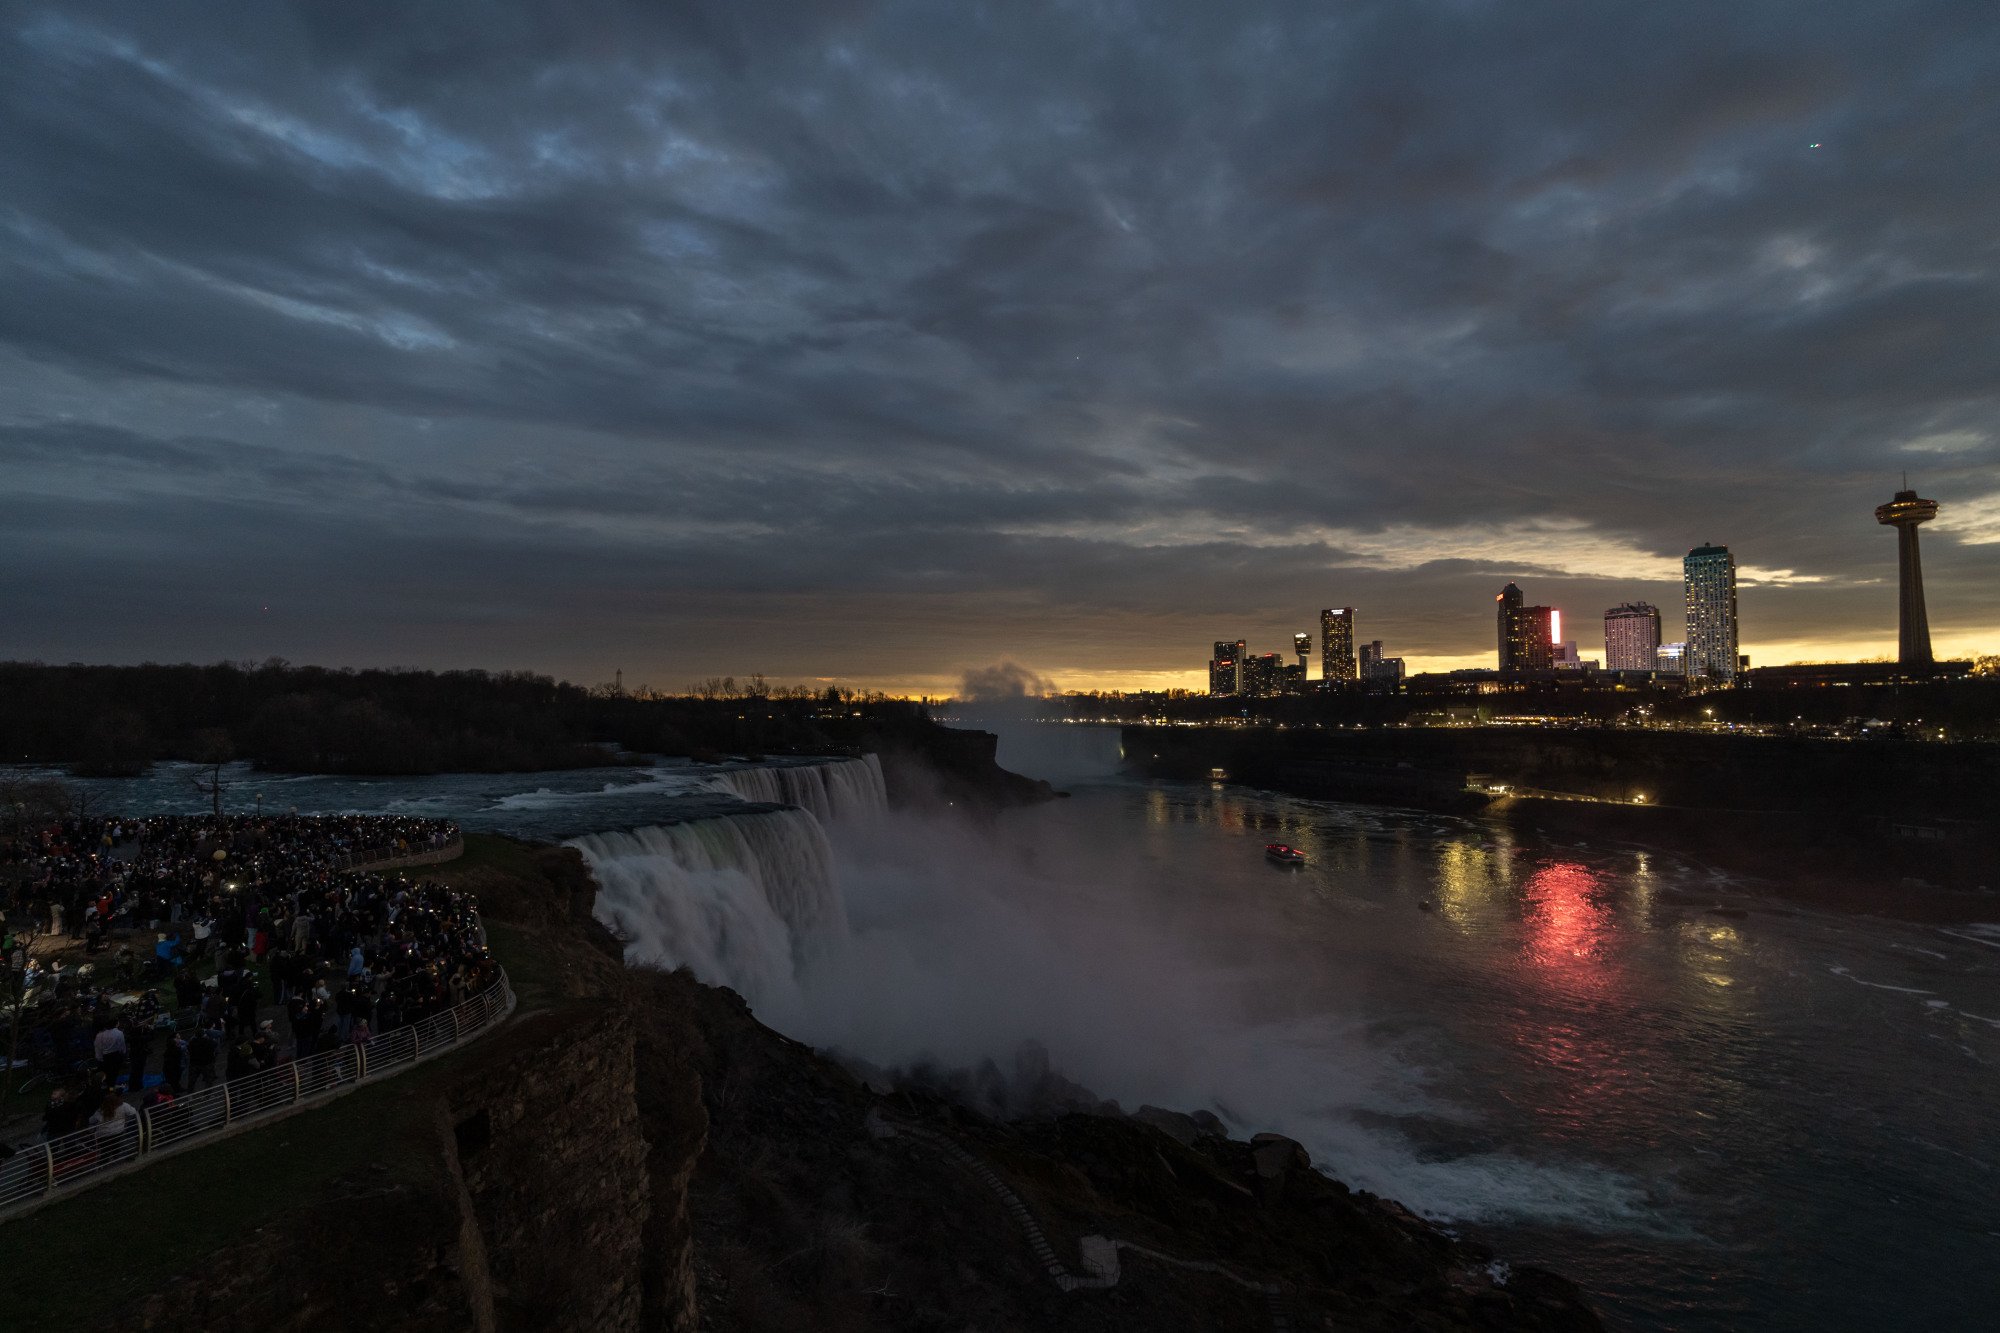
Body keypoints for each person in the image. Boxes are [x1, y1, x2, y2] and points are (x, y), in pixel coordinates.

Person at [93, 1016, 128, 1089]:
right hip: (115, 1055)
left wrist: (99, 1057)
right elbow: (122, 1046)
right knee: (114, 1072)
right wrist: (123, 1054)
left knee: (106, 1071)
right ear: (116, 1024)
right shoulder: (119, 1033)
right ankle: (111, 1088)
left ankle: (106, 1085)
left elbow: (98, 1047)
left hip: (105, 1056)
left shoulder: (100, 1035)